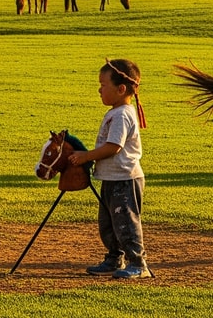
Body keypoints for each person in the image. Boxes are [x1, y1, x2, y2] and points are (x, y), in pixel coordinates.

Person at [68, 58, 150, 280]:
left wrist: (86, 156)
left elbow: (114, 147)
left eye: (103, 85)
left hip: (125, 179)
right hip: (112, 178)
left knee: (126, 222)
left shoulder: (123, 114)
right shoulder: (116, 112)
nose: (99, 89)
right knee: (108, 222)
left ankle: (138, 263)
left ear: (121, 88)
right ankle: (115, 258)